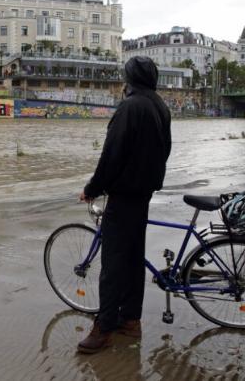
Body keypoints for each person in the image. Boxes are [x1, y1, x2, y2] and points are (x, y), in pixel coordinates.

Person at [77, 56, 172, 354]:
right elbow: (165, 149)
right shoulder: (159, 105)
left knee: (114, 265)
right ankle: (130, 320)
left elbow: (112, 154)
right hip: (143, 193)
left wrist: (93, 188)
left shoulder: (130, 107)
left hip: (124, 195)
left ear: (128, 79)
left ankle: (103, 328)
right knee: (132, 260)